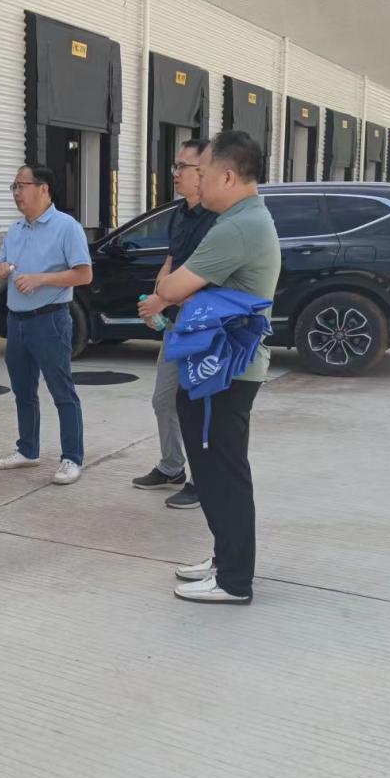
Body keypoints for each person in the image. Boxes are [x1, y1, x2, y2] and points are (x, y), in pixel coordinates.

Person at [153, 130, 281, 604]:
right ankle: (224, 559)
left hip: (225, 373)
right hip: (222, 367)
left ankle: (233, 580)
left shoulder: (238, 227)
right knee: (214, 471)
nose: (197, 182)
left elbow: (169, 289)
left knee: (222, 473)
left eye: (202, 174)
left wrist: (171, 291)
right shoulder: (243, 219)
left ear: (228, 176)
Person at [0, 164, 92, 485]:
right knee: (23, 390)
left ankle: (72, 458)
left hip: (50, 320)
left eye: (22, 186)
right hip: (17, 322)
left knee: (62, 390)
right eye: (14, 187)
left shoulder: (67, 227)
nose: (16, 193)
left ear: (43, 189)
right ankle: (28, 450)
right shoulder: (15, 229)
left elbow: (84, 274)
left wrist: (41, 279)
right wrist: (0, 270)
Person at [135, 139, 218, 510]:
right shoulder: (179, 213)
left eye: (184, 167)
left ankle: (203, 480)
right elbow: (171, 261)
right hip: (176, 322)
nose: (176, 173)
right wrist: (158, 299)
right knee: (163, 399)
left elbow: (205, 277)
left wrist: (166, 299)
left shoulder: (218, 220)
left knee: (197, 404)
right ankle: (172, 466)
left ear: (204, 173)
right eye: (176, 165)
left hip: (203, 323)